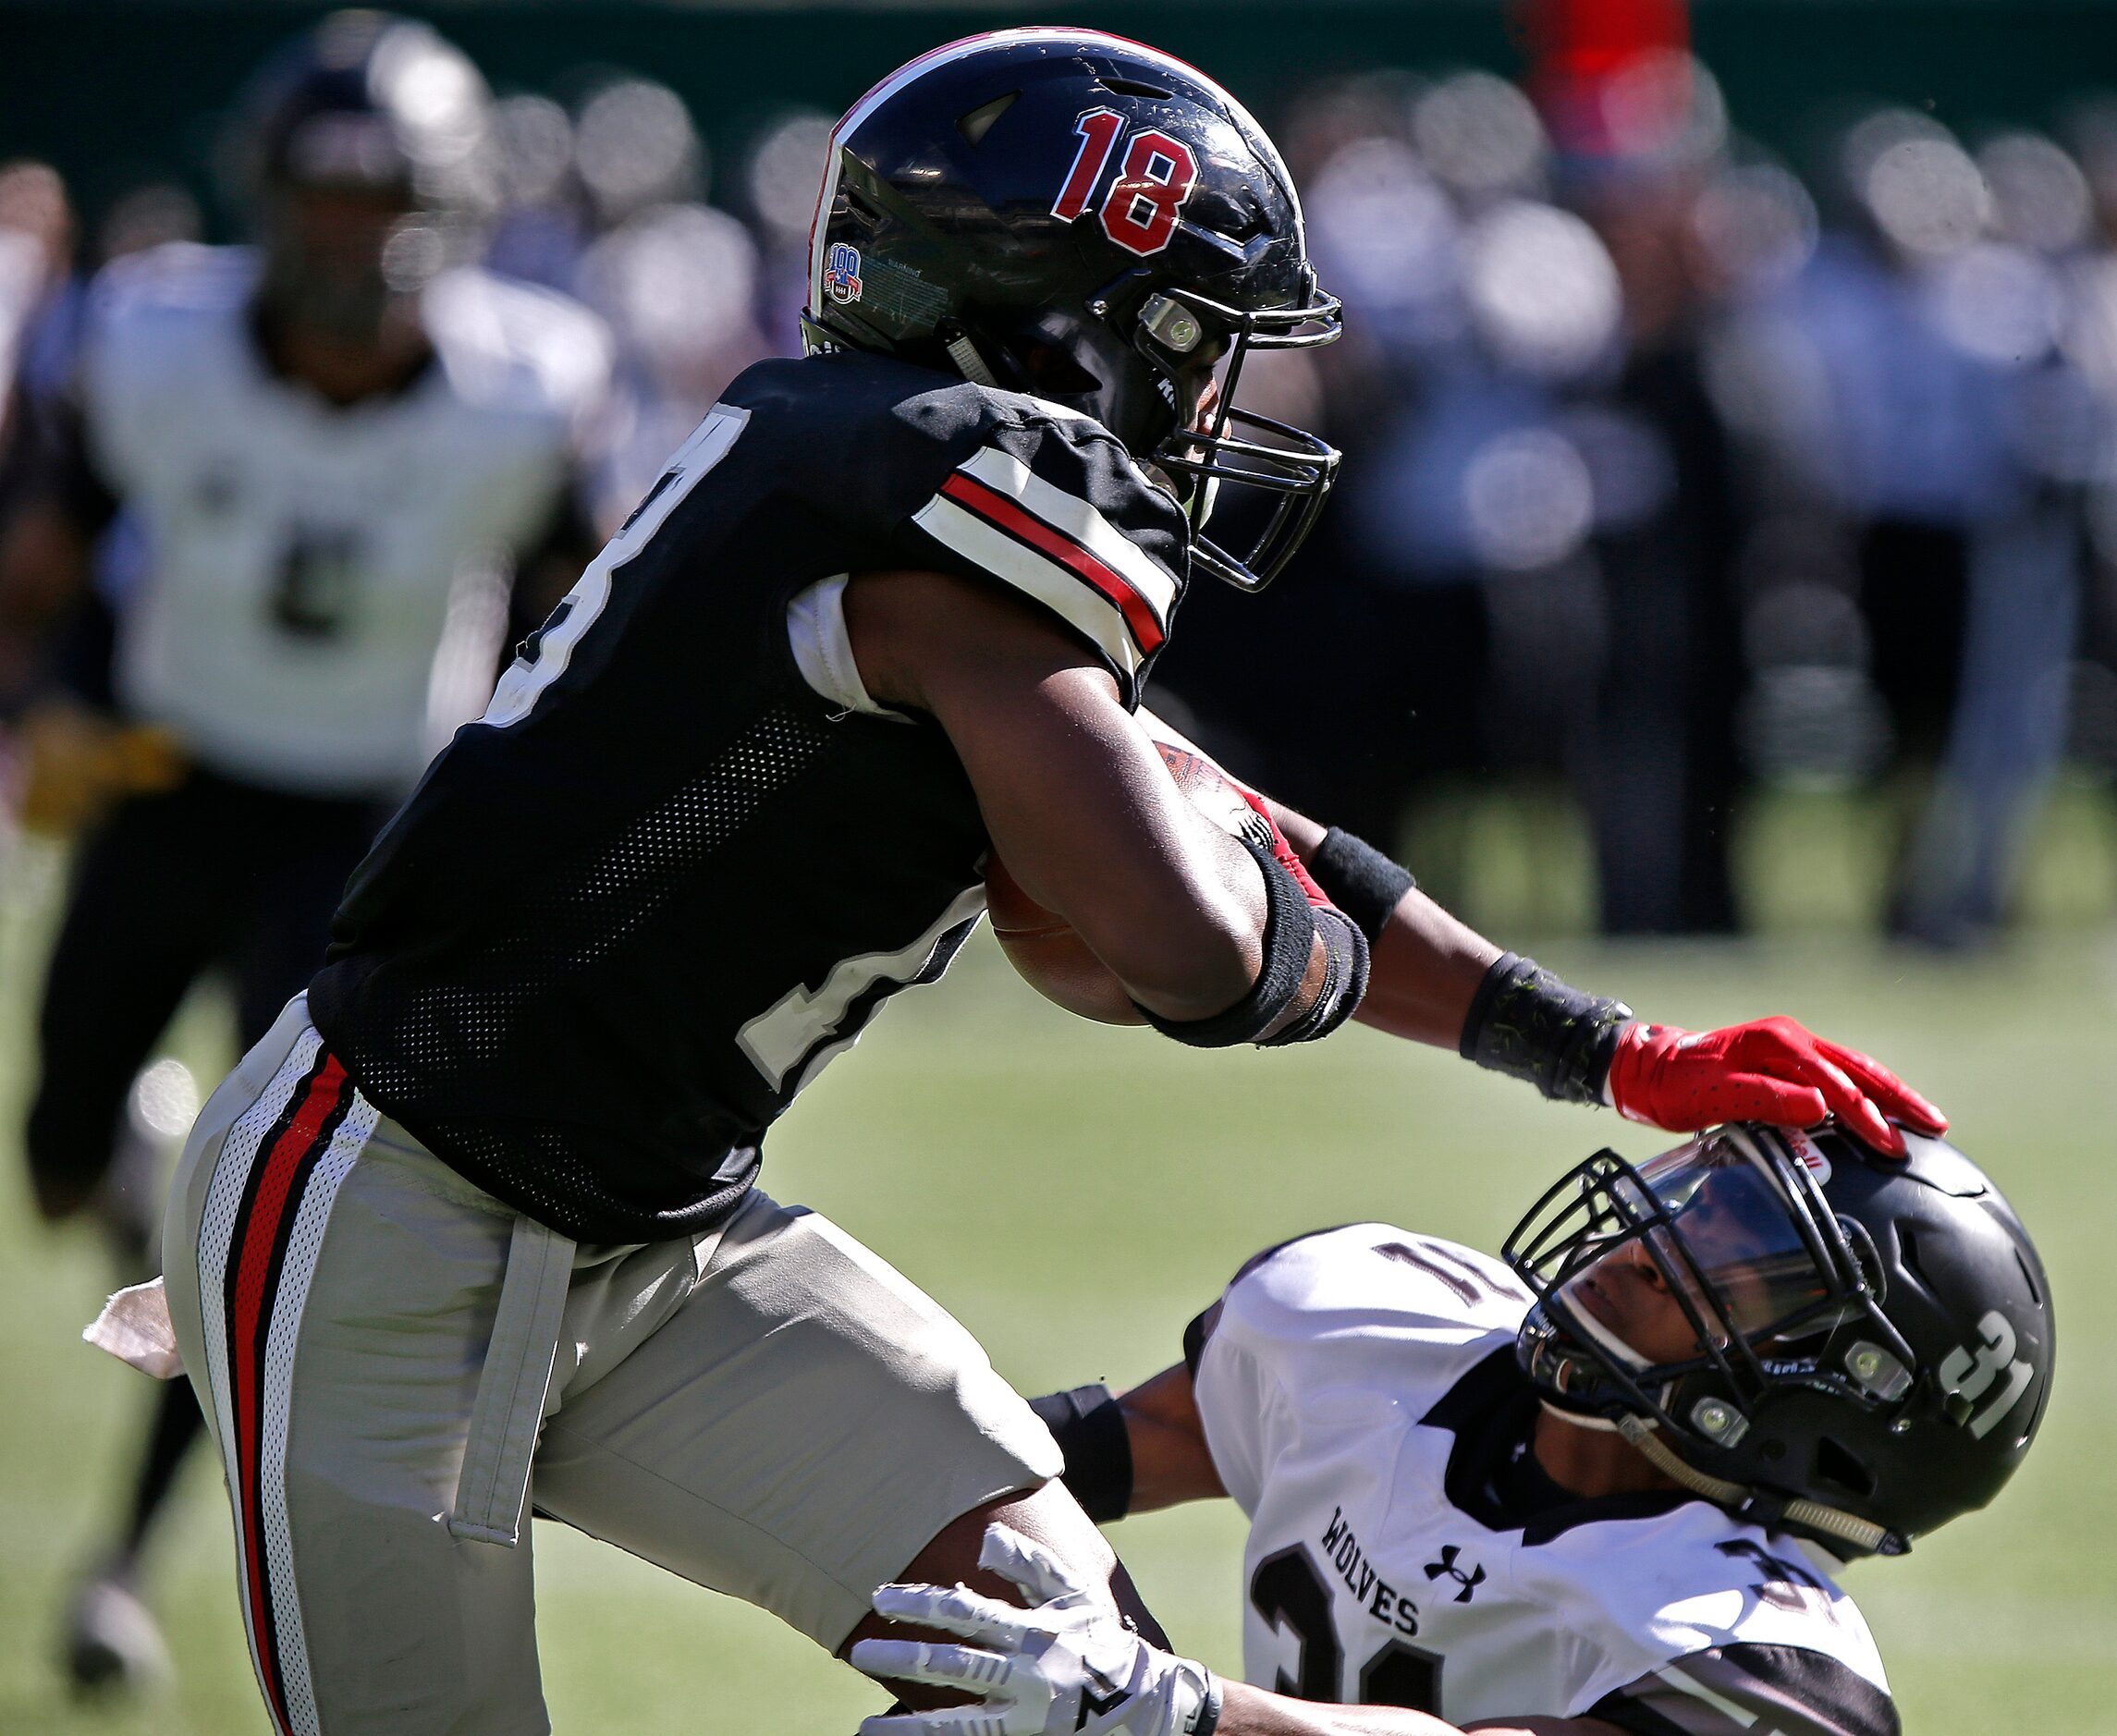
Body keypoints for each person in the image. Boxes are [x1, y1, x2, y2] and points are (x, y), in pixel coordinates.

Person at [148, 30, 1942, 1733]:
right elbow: (1187, 943)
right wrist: (1248, 932)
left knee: (1057, 1675)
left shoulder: (880, 478)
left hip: (664, 1236)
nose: (1226, 388)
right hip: (386, 1202)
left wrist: (1598, 1051)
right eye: (1197, 333)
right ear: (1083, 330)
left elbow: (1207, 815)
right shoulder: (954, 511)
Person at [0, 11, 609, 1690]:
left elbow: (588, 631)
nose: (347, 237)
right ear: (266, 200)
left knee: (261, 1206)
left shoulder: (530, 379)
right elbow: (44, 557)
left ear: (450, 209)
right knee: (55, 1154)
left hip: (370, 825)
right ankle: (125, 1161)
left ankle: (121, 1561)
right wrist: (47, 696)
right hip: (174, 778)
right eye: (319, 200)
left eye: (382, 201)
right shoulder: (151, 332)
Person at [864, 1120, 2051, 1735]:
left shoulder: (1762, 1658)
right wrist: (847, 1457)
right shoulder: (1370, 1320)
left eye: (1735, 1267)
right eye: (1701, 1193)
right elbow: (1118, 1449)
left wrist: (1181, 1713)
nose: (1651, 1242)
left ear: (1829, 1414)